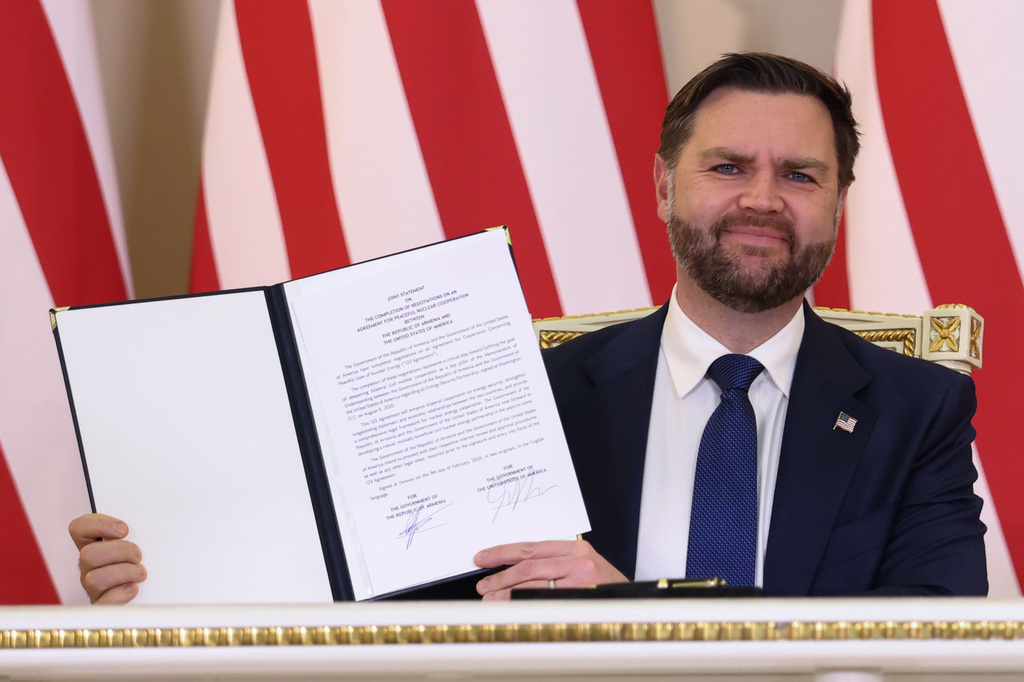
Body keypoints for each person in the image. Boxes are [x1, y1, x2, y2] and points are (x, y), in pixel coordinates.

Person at [69, 52, 987, 604]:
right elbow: (408, 607)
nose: (760, 199)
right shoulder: (525, 390)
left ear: (838, 206)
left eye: (799, 175)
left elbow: (933, 635)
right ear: (665, 185)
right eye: (727, 166)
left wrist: (627, 611)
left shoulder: (921, 410)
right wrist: (175, 573)